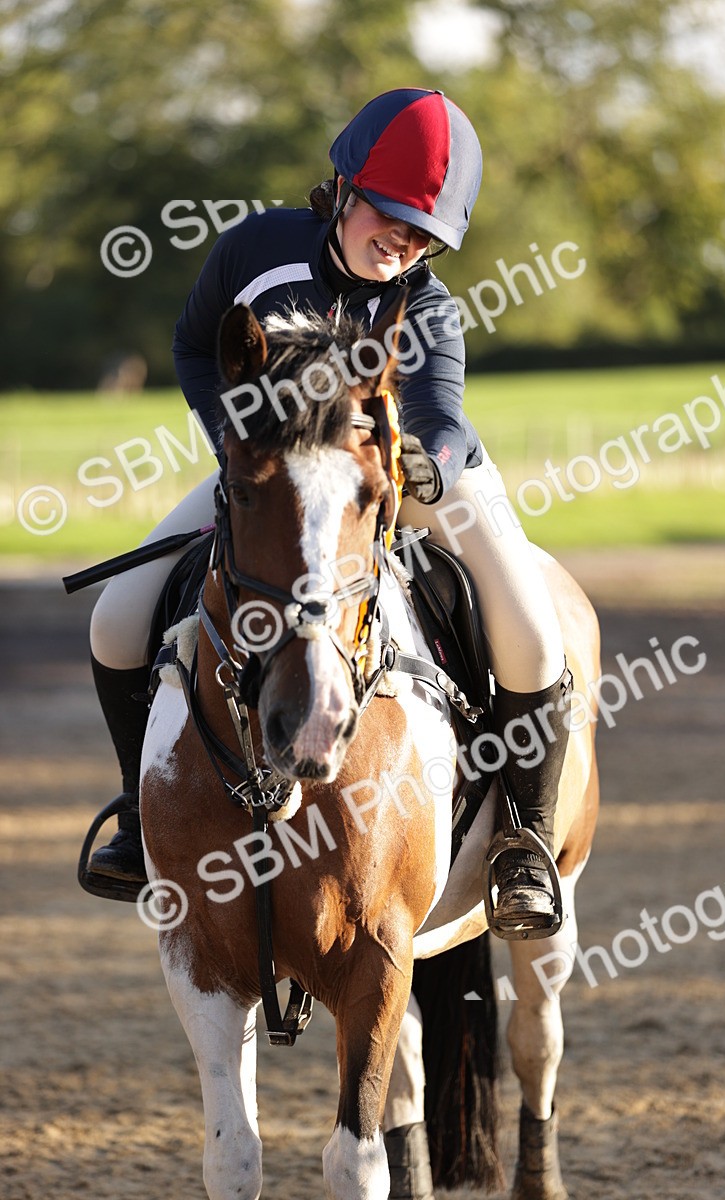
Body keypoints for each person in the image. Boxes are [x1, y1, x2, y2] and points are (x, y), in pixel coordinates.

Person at [88, 87, 572, 938]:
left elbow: (441, 419)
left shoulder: (426, 308)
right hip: (279, 476)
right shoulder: (256, 249)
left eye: (425, 233)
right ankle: (138, 812)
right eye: (390, 214)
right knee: (117, 618)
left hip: (414, 483)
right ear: (344, 188)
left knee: (532, 634)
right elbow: (195, 344)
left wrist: (421, 466)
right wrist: (237, 443)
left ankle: (524, 841)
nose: (404, 241)